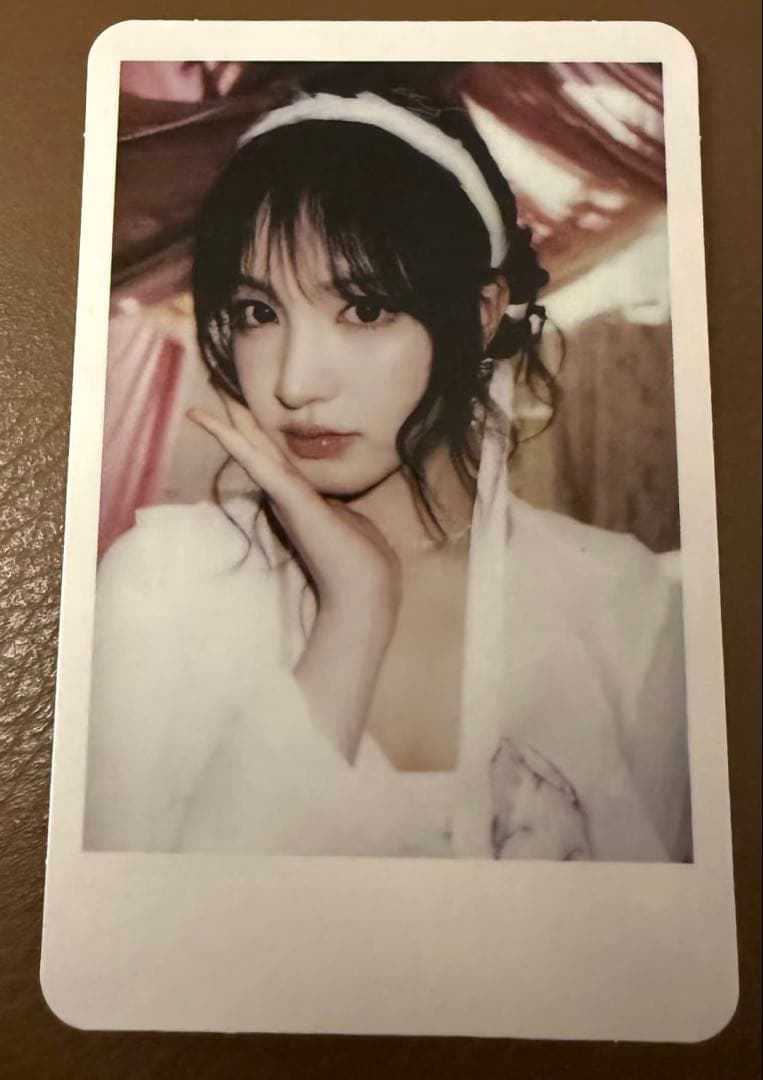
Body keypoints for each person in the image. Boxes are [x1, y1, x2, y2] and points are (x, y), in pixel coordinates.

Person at [84, 84, 691, 861]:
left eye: (365, 310)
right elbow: (140, 926)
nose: (295, 382)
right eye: (257, 313)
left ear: (478, 314)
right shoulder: (163, 582)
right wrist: (354, 610)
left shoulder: (626, 608)